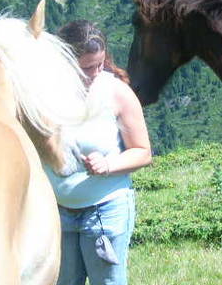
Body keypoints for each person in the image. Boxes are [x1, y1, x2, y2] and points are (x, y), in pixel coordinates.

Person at [45, 20, 152, 285]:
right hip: (57, 212)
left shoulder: (117, 93)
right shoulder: (47, 93)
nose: (95, 72)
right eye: (86, 68)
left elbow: (143, 152)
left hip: (106, 212)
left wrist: (108, 164)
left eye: (99, 64)